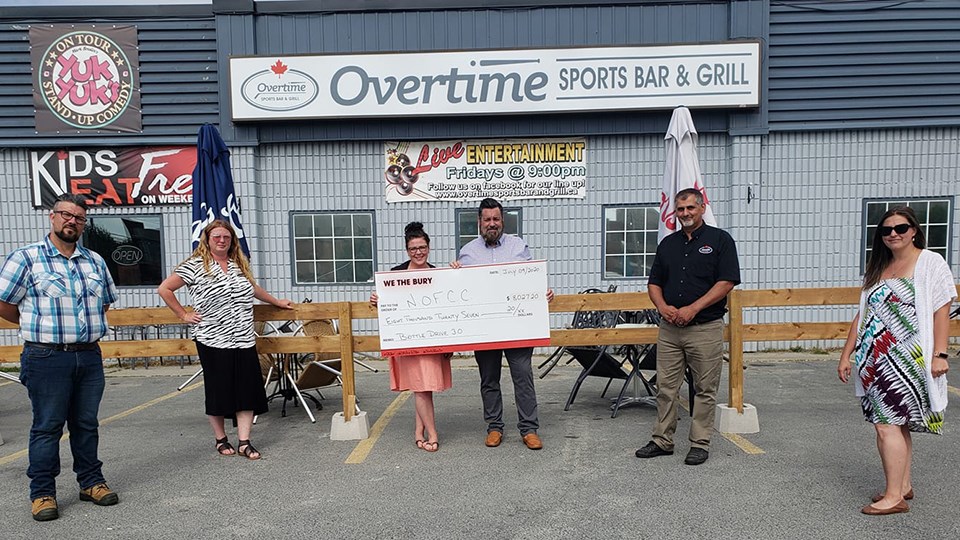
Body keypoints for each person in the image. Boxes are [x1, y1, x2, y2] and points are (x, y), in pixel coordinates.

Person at [0, 193, 120, 521]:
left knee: (85, 424)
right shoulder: (26, 259)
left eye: (79, 218)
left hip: (89, 356)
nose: (72, 221)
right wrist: (36, 325)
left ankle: (91, 482)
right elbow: (5, 304)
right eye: (66, 215)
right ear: (52, 218)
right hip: (46, 356)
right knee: (47, 426)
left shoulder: (94, 261)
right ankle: (42, 492)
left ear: (83, 224)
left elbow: (104, 303)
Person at [838, 207, 955, 516]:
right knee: (895, 426)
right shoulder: (880, 267)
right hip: (874, 359)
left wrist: (940, 354)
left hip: (906, 359)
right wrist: (846, 353)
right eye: (886, 230)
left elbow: (942, 307)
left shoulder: (929, 262)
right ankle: (901, 485)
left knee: (885, 426)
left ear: (913, 230)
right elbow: (863, 314)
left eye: (900, 228)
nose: (893, 234)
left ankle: (893, 498)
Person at [158, 219, 292, 461]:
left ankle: (244, 441)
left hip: (243, 338)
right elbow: (165, 289)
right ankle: (221, 439)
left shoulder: (237, 264)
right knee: (219, 390)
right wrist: (183, 314)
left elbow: (253, 288)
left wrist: (277, 302)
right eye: (217, 237)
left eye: (226, 237)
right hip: (212, 338)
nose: (222, 241)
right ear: (207, 240)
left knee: (247, 389)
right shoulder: (195, 265)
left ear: (232, 241)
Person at [635, 188, 740, 466]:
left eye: (690, 208)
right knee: (666, 387)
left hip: (704, 327)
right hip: (670, 329)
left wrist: (694, 307)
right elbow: (654, 282)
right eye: (680, 210)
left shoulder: (721, 241)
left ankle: (699, 442)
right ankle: (662, 440)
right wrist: (662, 307)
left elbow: (726, 281)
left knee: (704, 387)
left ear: (702, 207)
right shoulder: (668, 244)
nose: (685, 214)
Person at [452, 198, 553, 450]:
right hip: (485, 329)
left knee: (523, 376)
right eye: (487, 219)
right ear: (479, 222)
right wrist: (451, 275)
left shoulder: (519, 246)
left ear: (502, 221)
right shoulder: (467, 253)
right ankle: (494, 427)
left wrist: (543, 292)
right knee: (489, 379)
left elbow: (531, 279)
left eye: (496, 219)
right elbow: (460, 290)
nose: (492, 224)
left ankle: (529, 429)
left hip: (518, 326)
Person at [370, 222, 452, 452]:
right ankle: (432, 434)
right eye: (413, 248)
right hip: (408, 341)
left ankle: (418, 432)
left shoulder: (439, 274)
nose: (418, 252)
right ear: (407, 250)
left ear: (429, 247)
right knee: (420, 387)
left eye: (422, 247)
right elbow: (387, 308)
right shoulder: (395, 275)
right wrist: (377, 301)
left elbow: (450, 308)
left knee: (423, 388)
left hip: (432, 340)